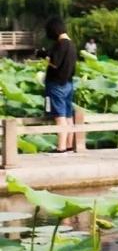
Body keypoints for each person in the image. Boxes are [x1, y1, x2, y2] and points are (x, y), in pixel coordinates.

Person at [44, 17, 77, 154]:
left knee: (60, 116)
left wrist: (45, 57)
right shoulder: (71, 44)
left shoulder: (60, 44)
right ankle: (69, 145)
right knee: (68, 116)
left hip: (57, 84)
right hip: (68, 83)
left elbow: (55, 63)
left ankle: (61, 147)